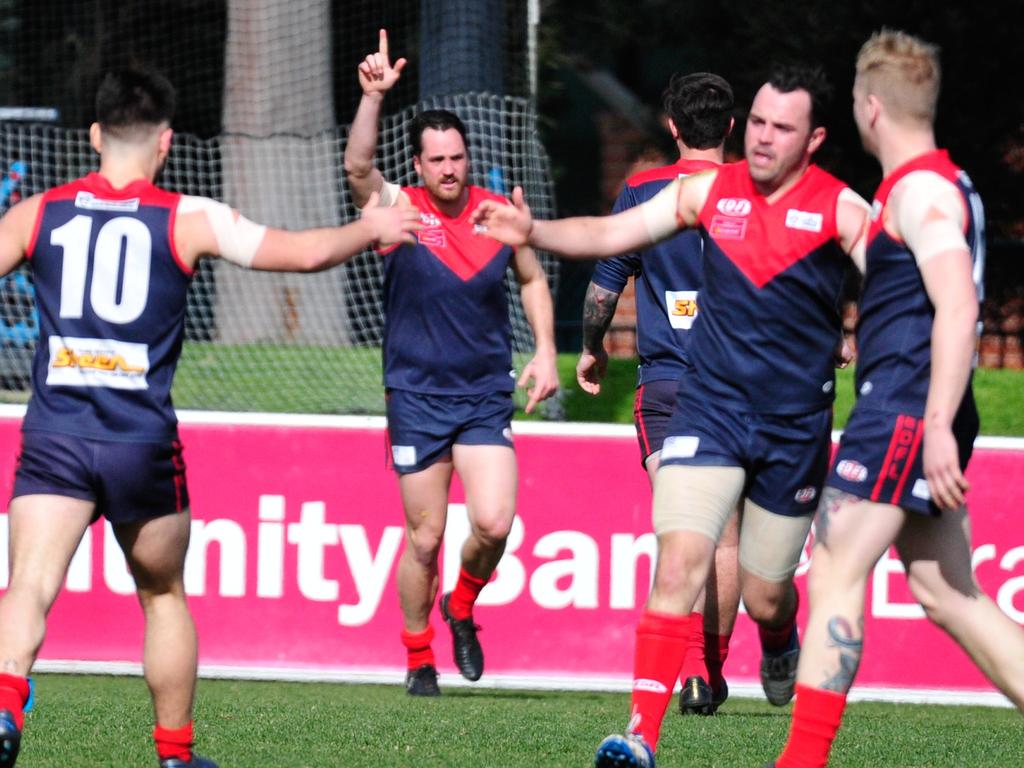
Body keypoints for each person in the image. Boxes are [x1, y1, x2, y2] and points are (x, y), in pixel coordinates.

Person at [0, 68, 420, 768]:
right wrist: (370, 225)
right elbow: (307, 254)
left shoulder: (38, 213)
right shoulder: (188, 218)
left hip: (57, 435)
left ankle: (6, 705)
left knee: (30, 586)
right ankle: (175, 755)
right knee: (162, 593)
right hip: (140, 441)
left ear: (95, 135)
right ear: (166, 142)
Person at [473, 64, 870, 768]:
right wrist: (531, 228)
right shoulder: (707, 191)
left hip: (790, 424)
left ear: (813, 139)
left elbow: (898, 284)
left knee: (765, 592)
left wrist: (862, 340)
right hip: (708, 406)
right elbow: (608, 233)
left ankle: (778, 641)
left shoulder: (842, 209)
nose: (765, 137)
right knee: (680, 560)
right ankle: (638, 736)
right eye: (759, 124)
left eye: (784, 127)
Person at [768, 30, 1024, 768]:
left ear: (870, 106)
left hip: (909, 411)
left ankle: (801, 761)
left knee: (835, 565)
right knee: (947, 593)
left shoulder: (919, 192)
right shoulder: (931, 184)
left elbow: (956, 305)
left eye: (851, 99)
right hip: (917, 406)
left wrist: (937, 424)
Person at [343, 30, 559, 697]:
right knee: (426, 538)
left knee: (494, 522)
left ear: (469, 158)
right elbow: (356, 170)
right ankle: (417, 655)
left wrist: (547, 348)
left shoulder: (495, 215)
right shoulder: (399, 207)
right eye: (436, 159)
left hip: (483, 394)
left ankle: (461, 603)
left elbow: (531, 277)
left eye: (457, 157)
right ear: (418, 161)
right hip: (414, 395)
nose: (448, 169)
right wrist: (372, 99)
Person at [577, 71, 741, 716]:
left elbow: (604, 284)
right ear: (730, 127)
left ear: (673, 127)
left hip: (668, 386)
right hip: (738, 388)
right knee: (726, 539)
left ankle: (691, 673)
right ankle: (710, 672)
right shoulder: (758, 194)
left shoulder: (643, 192)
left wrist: (591, 347)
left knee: (683, 530)